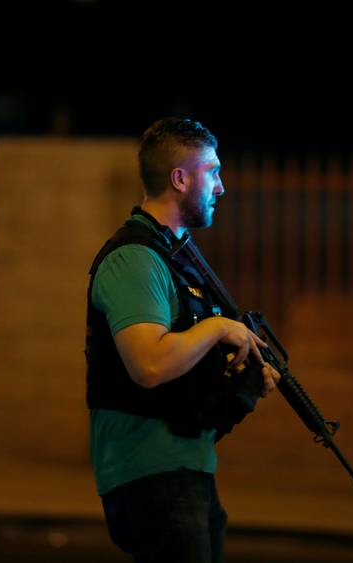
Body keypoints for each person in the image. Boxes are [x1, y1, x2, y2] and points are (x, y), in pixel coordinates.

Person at [85, 117, 281, 563]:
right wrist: (217, 328)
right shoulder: (135, 259)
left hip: (185, 468)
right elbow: (149, 365)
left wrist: (237, 379)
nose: (221, 186)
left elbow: (184, 366)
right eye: (212, 171)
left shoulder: (177, 257)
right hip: (150, 473)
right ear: (180, 178)